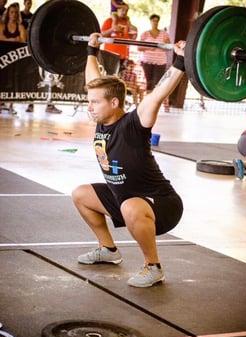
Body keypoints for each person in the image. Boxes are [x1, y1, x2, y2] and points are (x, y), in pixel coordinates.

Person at [71, 33, 185, 288]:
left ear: (114, 102)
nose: (90, 107)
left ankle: (153, 266)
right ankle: (108, 250)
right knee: (80, 194)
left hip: (161, 204)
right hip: (123, 198)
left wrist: (180, 63)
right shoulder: (102, 118)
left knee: (130, 207)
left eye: (95, 103)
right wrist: (91, 50)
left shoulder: (134, 124)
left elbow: (157, 96)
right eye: (90, 102)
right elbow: (94, 82)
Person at [0, 2, 27, 114]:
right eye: (12, 12)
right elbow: (0, 38)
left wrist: (10, 40)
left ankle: (11, 105)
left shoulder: (20, 26)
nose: (14, 14)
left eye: (16, 12)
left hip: (15, 60)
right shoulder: (2, 25)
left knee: (13, 81)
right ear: (8, 13)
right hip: (2, 59)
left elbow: (23, 40)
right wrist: (13, 40)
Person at [138, 14, 171, 93]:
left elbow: (169, 48)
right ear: (150, 21)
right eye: (153, 21)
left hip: (160, 61)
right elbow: (139, 48)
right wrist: (149, 48)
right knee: (149, 82)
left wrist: (166, 44)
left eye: (157, 21)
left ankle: (155, 98)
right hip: (147, 61)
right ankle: (148, 99)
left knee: (158, 82)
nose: (155, 22)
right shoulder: (145, 34)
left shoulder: (164, 34)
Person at [101, 3, 137, 71]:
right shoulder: (109, 20)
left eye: (126, 10)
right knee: (108, 76)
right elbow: (101, 35)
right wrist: (112, 29)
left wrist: (133, 29)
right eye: (122, 10)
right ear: (117, 10)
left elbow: (133, 38)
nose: (124, 12)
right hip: (110, 55)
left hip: (123, 56)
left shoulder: (127, 22)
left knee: (119, 77)